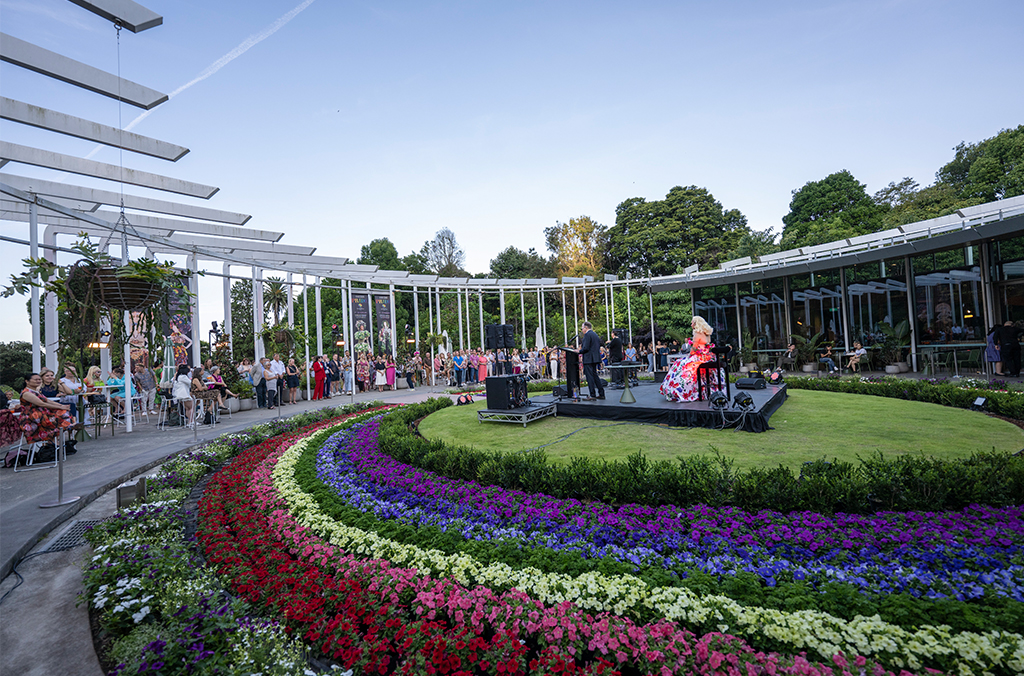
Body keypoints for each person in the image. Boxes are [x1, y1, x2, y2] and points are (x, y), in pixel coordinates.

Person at [659, 316, 717, 402]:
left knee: (678, 364)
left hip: (699, 358)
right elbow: (707, 347)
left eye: (692, 322)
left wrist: (689, 355)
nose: (691, 324)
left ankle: (680, 390)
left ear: (696, 323)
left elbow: (694, 349)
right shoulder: (707, 334)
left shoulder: (697, 334)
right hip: (707, 357)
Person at [19, 373, 81, 450]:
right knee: (59, 415)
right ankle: (68, 426)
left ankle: (68, 426)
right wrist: (60, 407)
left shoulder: (36, 391)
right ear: (27, 381)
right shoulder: (27, 393)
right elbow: (41, 403)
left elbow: (47, 400)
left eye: (39, 379)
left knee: (64, 410)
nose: (38, 381)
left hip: (41, 413)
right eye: (36, 379)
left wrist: (61, 406)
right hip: (33, 416)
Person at [578, 321, 605, 401]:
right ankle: (601, 393)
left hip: (588, 359)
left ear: (586, 328)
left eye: (582, 328)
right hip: (595, 358)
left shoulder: (587, 335)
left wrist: (579, 351)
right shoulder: (595, 335)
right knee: (595, 376)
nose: (582, 330)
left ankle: (592, 395)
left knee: (589, 377)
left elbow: (586, 348)